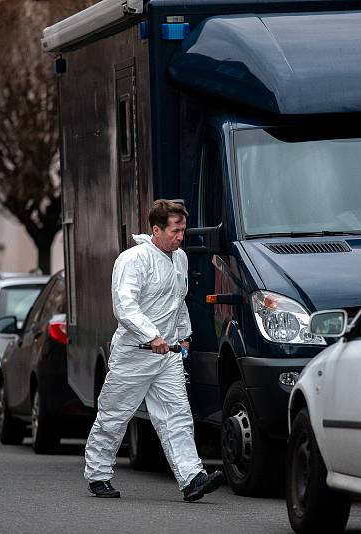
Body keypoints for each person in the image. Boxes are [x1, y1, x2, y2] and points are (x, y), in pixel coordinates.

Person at [84, 199, 225, 501]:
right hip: (135, 353)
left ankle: (192, 478)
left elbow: (178, 301)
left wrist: (184, 336)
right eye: (175, 230)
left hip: (167, 356)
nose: (180, 236)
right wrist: (151, 336)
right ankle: (98, 474)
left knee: (177, 415)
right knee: (114, 415)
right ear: (156, 229)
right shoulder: (133, 259)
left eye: (183, 230)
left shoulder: (181, 258)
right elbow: (125, 306)